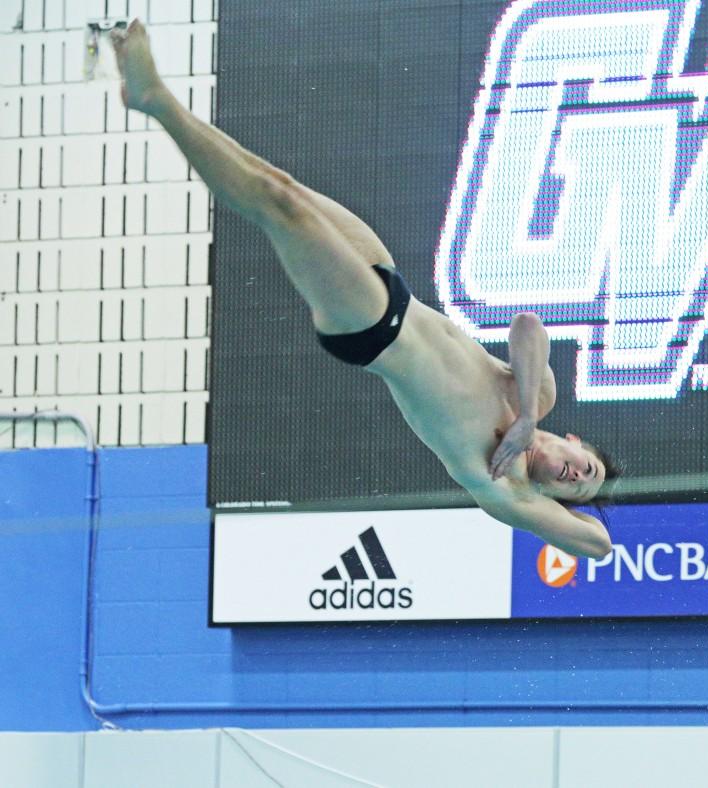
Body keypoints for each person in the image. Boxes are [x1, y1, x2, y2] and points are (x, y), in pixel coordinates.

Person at [111, 20, 616, 558]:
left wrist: (551, 497)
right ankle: (153, 99)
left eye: (574, 487)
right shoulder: (534, 394)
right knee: (278, 184)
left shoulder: (505, 488)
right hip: (391, 279)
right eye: (584, 466)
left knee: (276, 209)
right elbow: (527, 327)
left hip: (374, 331)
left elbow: (599, 546)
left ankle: (156, 99)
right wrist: (528, 423)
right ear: (574, 442)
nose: (573, 474)